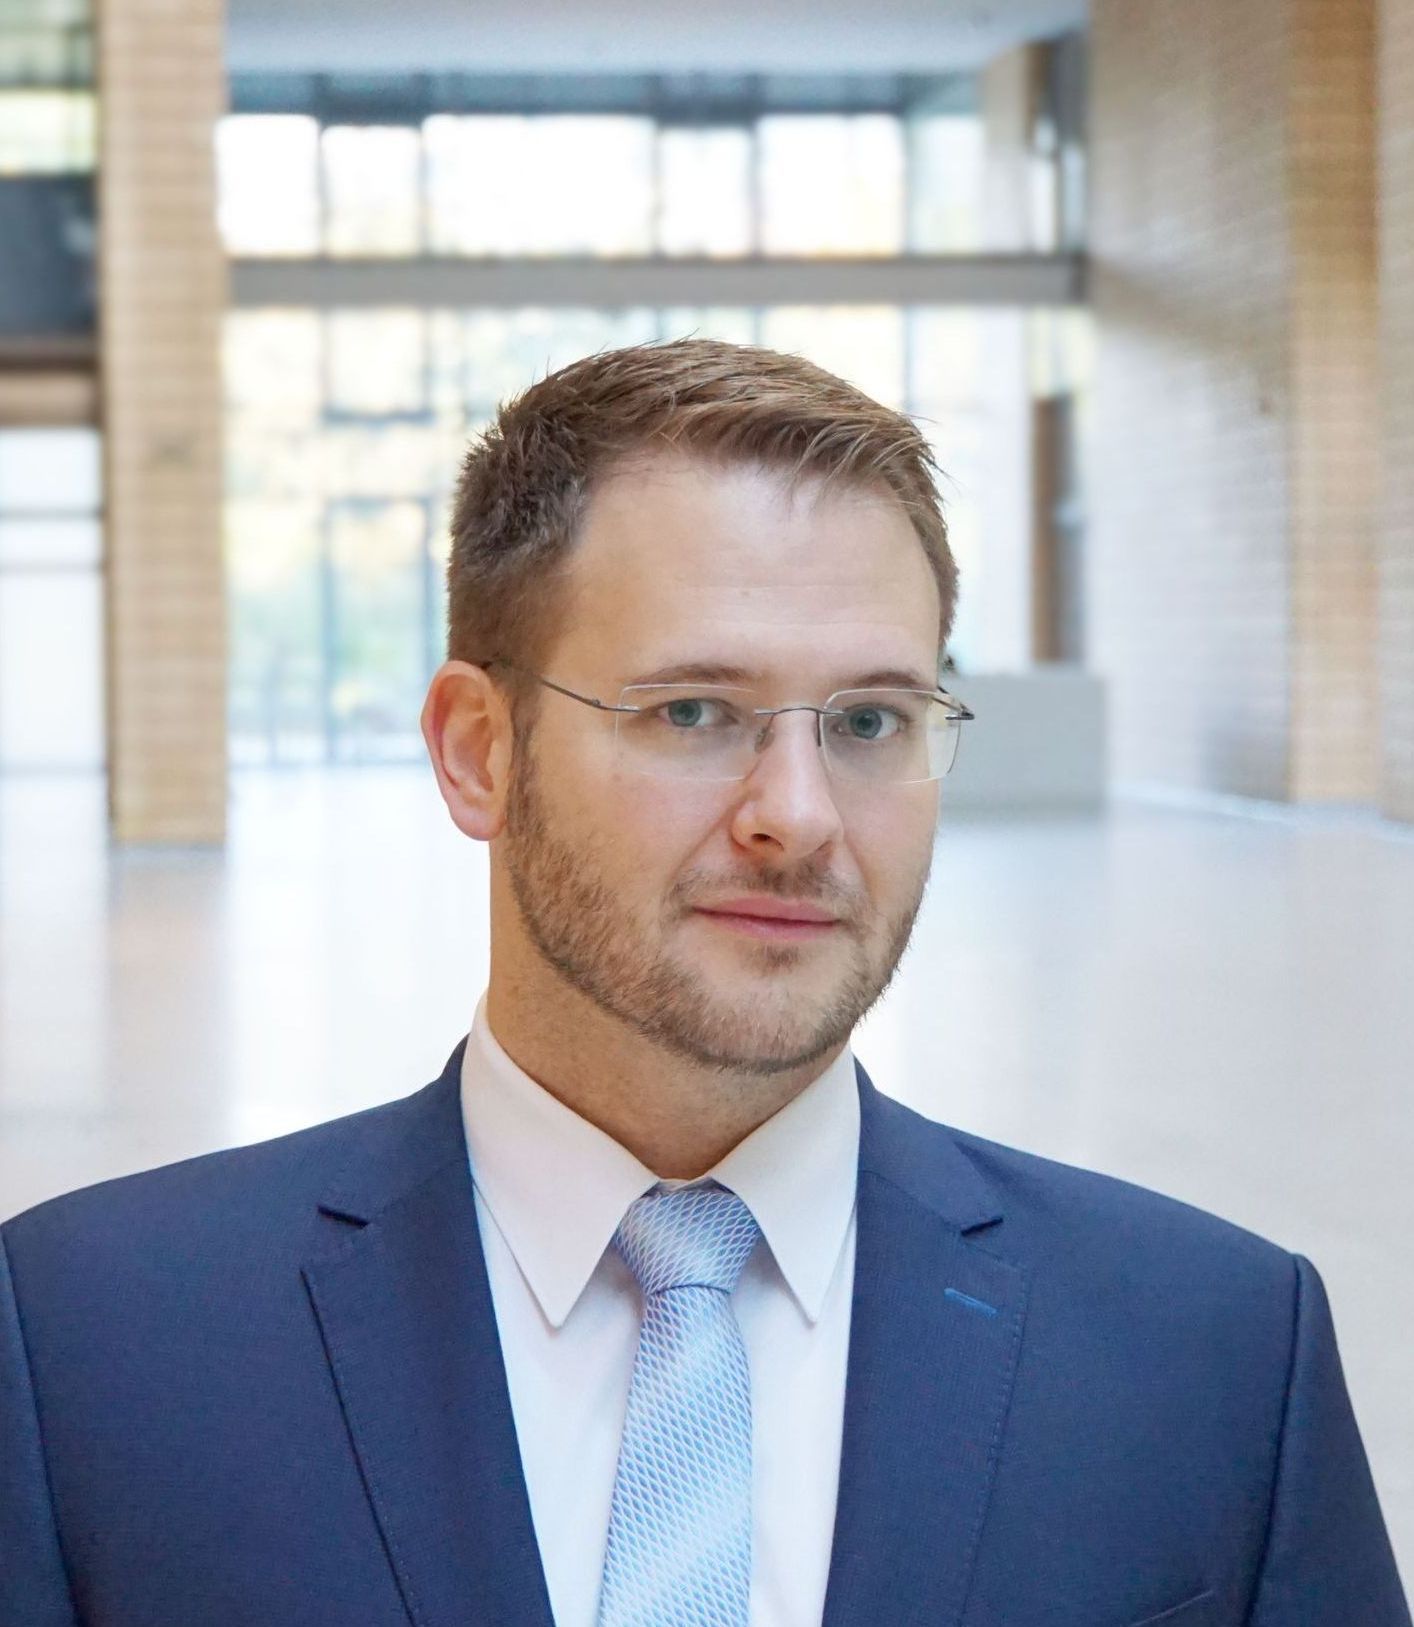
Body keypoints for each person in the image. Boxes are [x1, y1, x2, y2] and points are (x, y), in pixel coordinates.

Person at [0, 338, 1407, 1627]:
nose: (797, 815)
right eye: (693, 712)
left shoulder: (1219, 1355)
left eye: (870, 721)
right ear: (478, 751)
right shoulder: (90, 1347)